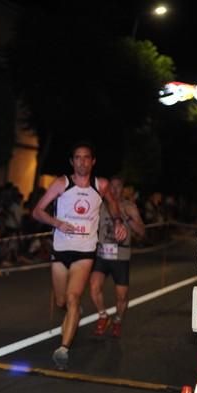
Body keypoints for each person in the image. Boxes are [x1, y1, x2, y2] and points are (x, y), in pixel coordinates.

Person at [32, 142, 127, 370]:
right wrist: (57, 223)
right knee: (62, 301)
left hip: (85, 251)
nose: (82, 162)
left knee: (73, 297)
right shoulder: (61, 184)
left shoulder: (100, 185)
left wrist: (117, 222)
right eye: (77, 158)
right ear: (72, 161)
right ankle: (72, 312)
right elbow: (37, 211)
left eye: (86, 158)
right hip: (60, 249)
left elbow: (113, 204)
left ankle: (63, 349)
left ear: (93, 161)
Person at [89, 176, 146, 338]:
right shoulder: (100, 205)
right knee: (94, 287)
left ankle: (118, 320)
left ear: (123, 189)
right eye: (111, 186)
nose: (113, 190)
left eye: (118, 186)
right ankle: (102, 316)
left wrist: (126, 217)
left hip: (121, 256)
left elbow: (142, 232)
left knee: (121, 296)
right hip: (102, 254)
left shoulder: (129, 206)